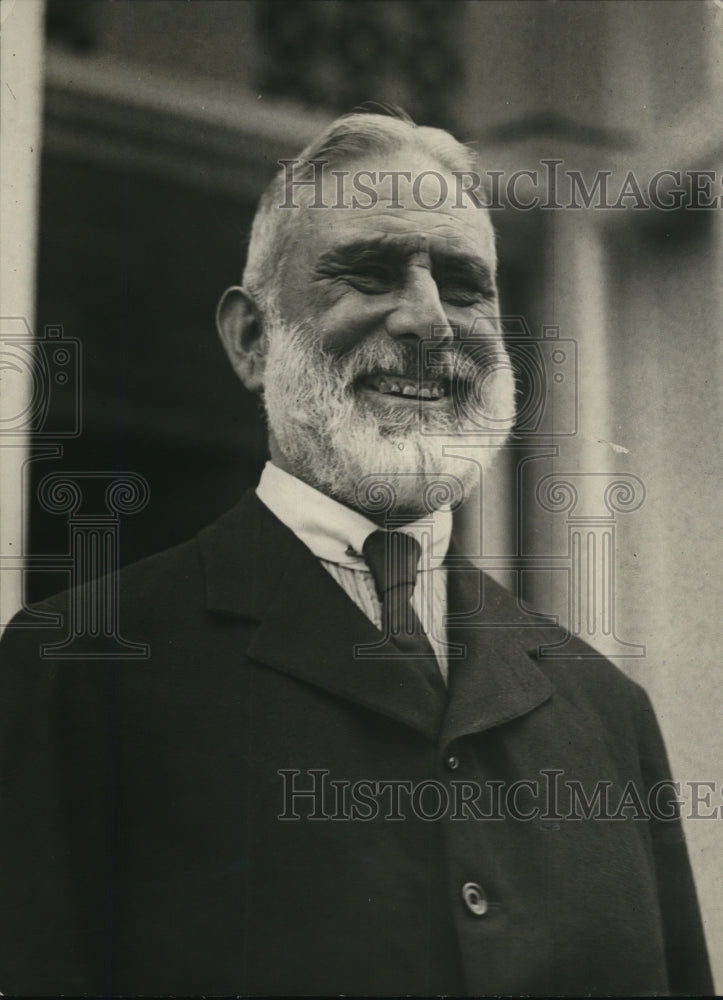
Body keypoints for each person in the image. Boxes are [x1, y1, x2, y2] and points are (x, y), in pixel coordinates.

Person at [0, 110, 713, 997]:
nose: (427, 321)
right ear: (252, 341)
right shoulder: (78, 670)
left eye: (462, 284)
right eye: (369, 273)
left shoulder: (606, 712)